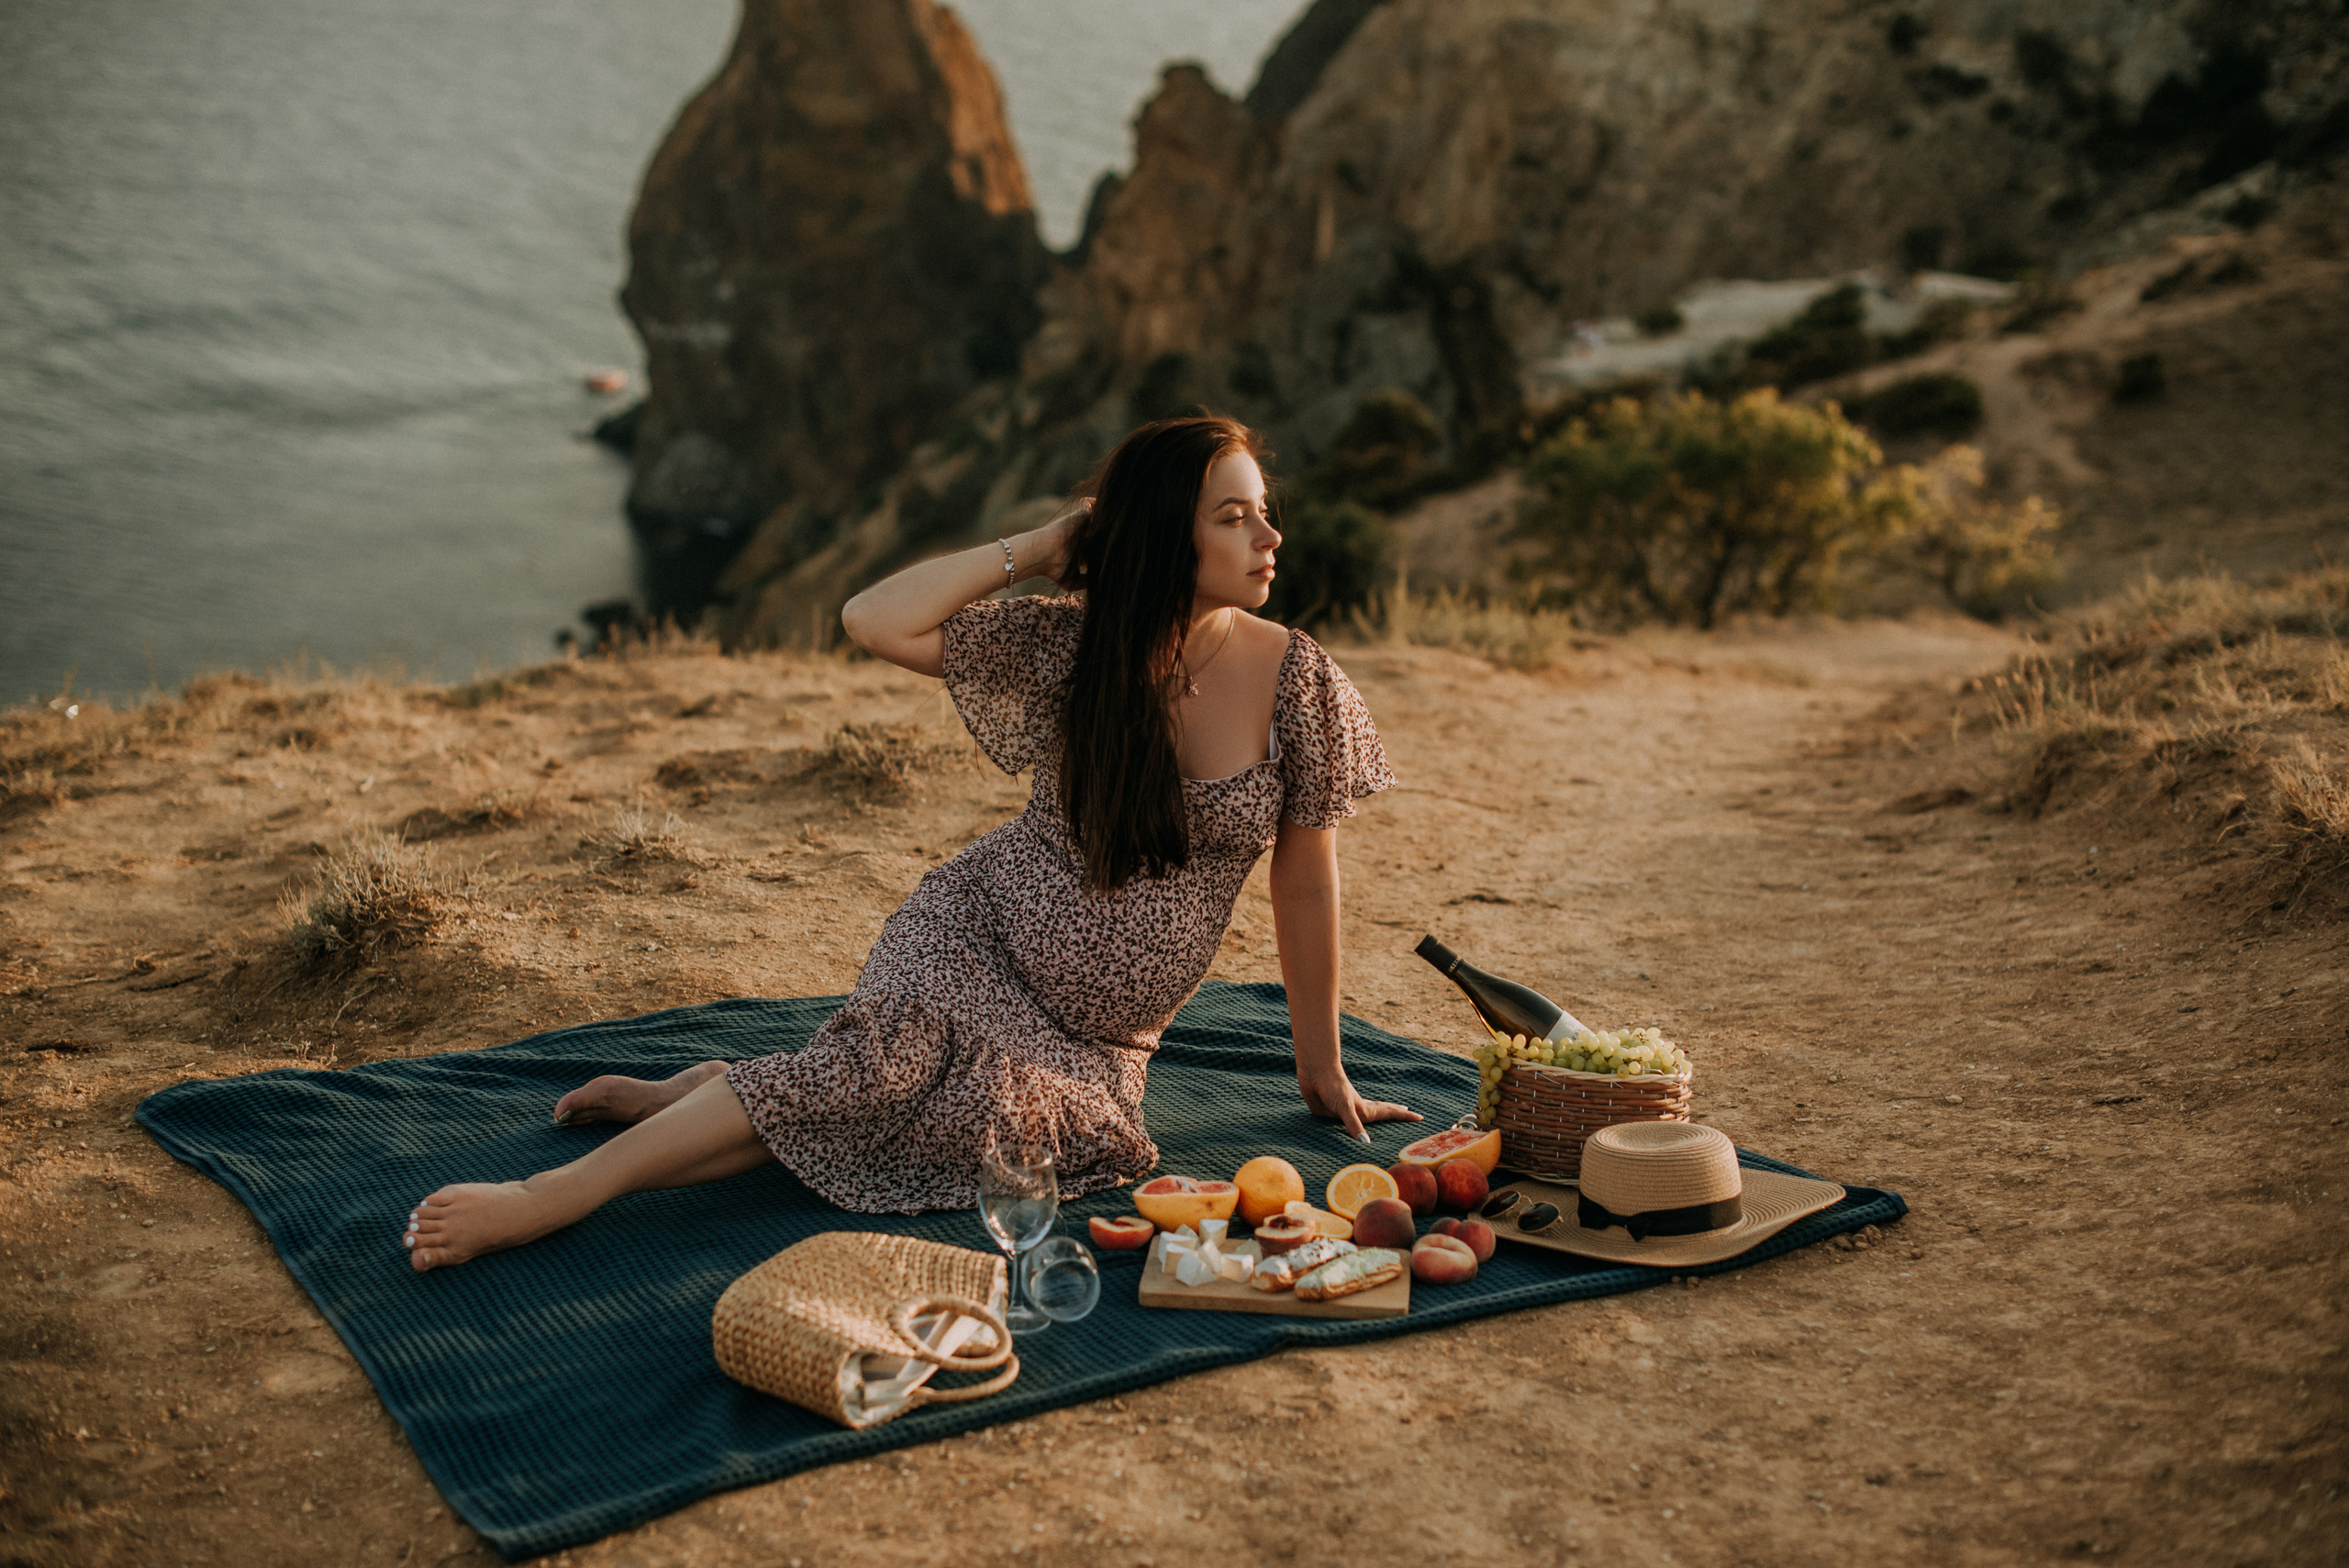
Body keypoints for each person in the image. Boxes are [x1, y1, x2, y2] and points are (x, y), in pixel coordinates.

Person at [404, 416, 1416, 1270]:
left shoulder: (1298, 681)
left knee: (978, 1144)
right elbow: (873, 618)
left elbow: (1304, 886)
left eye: (1262, 511)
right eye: (1231, 516)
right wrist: (1045, 545)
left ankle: (718, 1089)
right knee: (878, 1077)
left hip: (1096, 1043)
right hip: (975, 932)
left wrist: (1318, 1066)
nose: (1267, 534)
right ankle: (554, 1194)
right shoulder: (1069, 643)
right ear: (1163, 533)